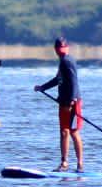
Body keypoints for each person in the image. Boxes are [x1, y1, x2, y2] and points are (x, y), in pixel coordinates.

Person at [35, 36, 83, 172]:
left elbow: (74, 81)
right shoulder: (62, 62)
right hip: (63, 102)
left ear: (67, 48)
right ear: (56, 49)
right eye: (59, 48)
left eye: (63, 48)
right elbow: (58, 79)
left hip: (73, 102)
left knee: (73, 132)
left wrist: (73, 99)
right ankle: (64, 163)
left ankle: (80, 165)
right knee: (63, 132)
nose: (61, 51)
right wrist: (43, 87)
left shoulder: (68, 61)